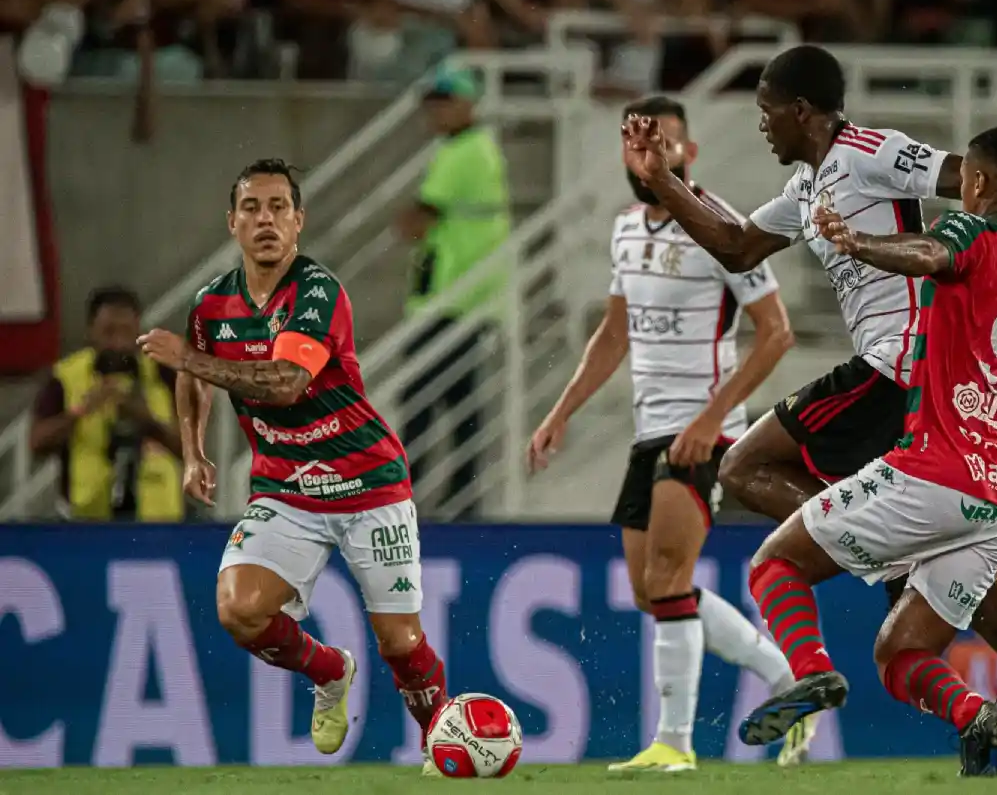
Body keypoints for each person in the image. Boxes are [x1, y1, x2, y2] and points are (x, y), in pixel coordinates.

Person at [620, 45, 997, 777]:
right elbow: (735, 243)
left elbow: (972, 183)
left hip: (899, 365)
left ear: (801, 111)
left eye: (765, 112)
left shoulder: (872, 150)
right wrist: (666, 180)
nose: (761, 126)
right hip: (963, 439)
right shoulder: (805, 186)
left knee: (747, 465)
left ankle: (827, 619)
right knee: (915, 601)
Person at [528, 95, 816, 772]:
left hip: (703, 432)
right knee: (651, 590)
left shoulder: (722, 229)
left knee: (666, 578)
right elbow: (614, 333)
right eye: (635, 143)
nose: (648, 154)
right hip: (648, 431)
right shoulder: (626, 229)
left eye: (663, 143)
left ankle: (676, 745)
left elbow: (777, 334)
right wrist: (560, 410)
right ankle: (786, 680)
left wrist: (712, 420)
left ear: (688, 153)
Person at [137, 158, 448, 776]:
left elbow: (283, 384)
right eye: (252, 208)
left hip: (368, 483)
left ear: (299, 222)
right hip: (287, 489)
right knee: (238, 608)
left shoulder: (318, 291)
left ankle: (441, 745)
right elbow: (195, 382)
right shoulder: (211, 305)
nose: (266, 219)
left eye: (279, 207)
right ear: (232, 223)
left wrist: (189, 362)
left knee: (400, 643)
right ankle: (328, 671)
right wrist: (194, 449)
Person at [396, 65, 511, 519]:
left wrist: (409, 223)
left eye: (445, 101)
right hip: (461, 296)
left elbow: (417, 220)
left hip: (455, 298)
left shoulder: (465, 151)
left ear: (467, 103)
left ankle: (412, 493)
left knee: (423, 401)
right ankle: (462, 498)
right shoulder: (469, 147)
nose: (436, 111)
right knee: (455, 398)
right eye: (433, 102)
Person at [30, 285, 184, 521]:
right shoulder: (65, 377)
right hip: (87, 524)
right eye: (109, 332)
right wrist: (80, 412)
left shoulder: (164, 375)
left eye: (127, 332)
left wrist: (147, 422)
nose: (118, 343)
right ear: (91, 331)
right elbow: (37, 443)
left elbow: (193, 451)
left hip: (158, 525)